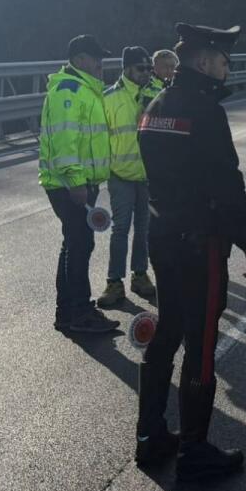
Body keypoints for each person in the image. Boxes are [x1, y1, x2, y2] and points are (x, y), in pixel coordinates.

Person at [135, 23, 246, 481]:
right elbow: (226, 184)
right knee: (202, 341)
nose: (227, 69)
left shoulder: (155, 106)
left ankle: (149, 436)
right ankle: (194, 448)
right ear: (206, 61)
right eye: (224, 61)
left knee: (167, 332)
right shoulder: (205, 111)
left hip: (163, 233)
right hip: (200, 242)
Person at [37, 34, 120, 335]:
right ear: (80, 59)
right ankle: (80, 313)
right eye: (96, 57)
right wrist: (75, 180)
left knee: (73, 244)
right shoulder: (69, 90)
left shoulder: (85, 89)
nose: (101, 63)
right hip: (70, 183)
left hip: (80, 181)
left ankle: (68, 312)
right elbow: (65, 139)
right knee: (80, 244)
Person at [98, 46, 157, 309]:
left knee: (143, 229)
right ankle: (114, 282)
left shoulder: (156, 95)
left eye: (149, 69)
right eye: (141, 68)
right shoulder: (108, 98)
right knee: (120, 228)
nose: (146, 73)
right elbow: (99, 138)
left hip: (148, 175)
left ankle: (140, 275)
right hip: (120, 174)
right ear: (126, 69)